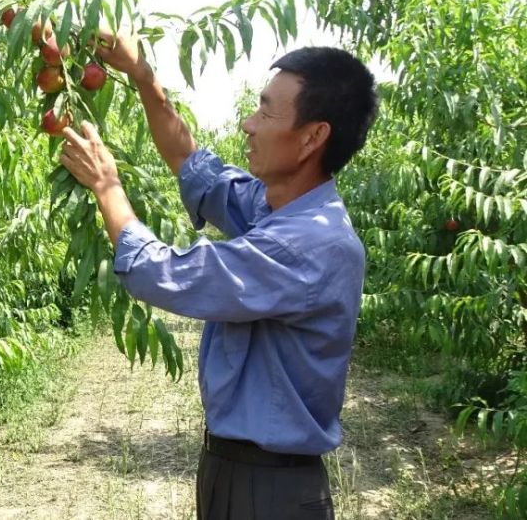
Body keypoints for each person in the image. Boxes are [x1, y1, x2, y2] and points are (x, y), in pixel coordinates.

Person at [57, 32, 379, 520]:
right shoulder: (277, 210)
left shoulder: (307, 243)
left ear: (313, 136)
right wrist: (142, 75)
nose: (249, 124)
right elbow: (192, 164)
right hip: (236, 470)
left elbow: (166, 273)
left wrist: (106, 185)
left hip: (271, 489)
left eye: (267, 113)